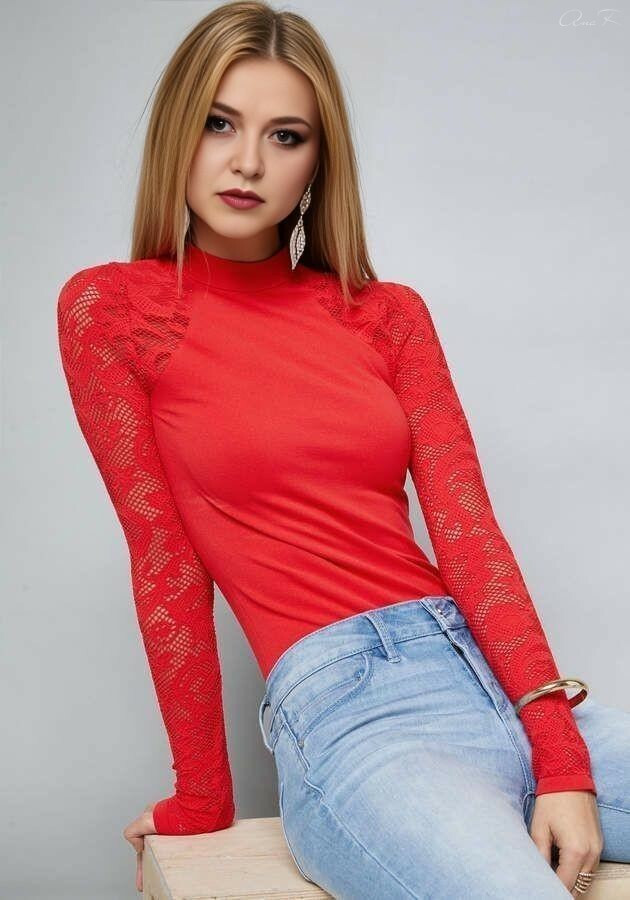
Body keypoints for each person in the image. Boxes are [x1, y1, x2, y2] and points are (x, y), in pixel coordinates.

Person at [56, 2, 629, 897]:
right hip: (358, 722)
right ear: (177, 133)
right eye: (219, 124)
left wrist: (559, 759)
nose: (248, 162)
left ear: (319, 164)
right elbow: (165, 563)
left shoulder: (386, 314)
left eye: (285, 136)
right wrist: (201, 796)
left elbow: (470, 537)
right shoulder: (114, 312)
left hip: (494, 680)